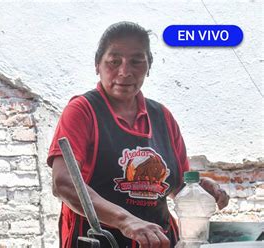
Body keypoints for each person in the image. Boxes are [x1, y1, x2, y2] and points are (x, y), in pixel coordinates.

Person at [47, 21, 229, 248]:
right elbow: (63, 183)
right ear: (97, 65)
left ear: (148, 66)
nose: (125, 71)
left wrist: (201, 186)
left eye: (136, 61)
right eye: (114, 62)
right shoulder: (83, 111)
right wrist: (127, 222)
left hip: (159, 241)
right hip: (101, 241)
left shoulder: (162, 117)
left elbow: (178, 185)